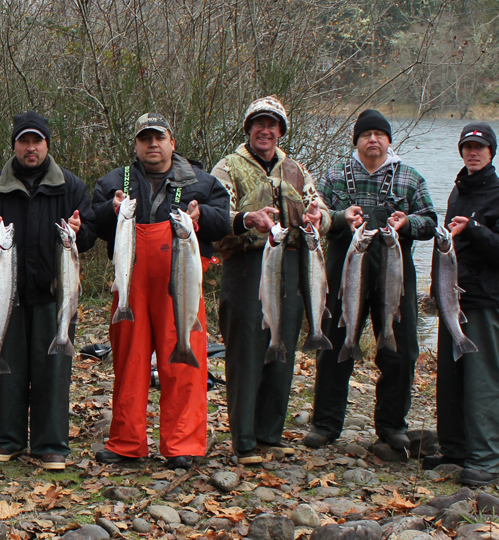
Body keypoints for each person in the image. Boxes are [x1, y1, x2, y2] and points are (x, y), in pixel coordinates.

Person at [90, 114, 231, 469]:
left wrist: (202, 217)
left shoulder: (202, 182)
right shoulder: (115, 181)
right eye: (145, 138)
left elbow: (223, 221)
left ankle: (183, 443)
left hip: (179, 285)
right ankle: (126, 441)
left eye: (159, 137)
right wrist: (112, 208)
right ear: (136, 144)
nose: (152, 144)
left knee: (184, 363)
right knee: (129, 361)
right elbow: (93, 222)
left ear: (172, 141)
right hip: (130, 285)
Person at [0, 112, 96, 471]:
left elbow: (88, 235)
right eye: (23, 141)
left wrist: (79, 231)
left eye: (37, 141)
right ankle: (7, 439)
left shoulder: (71, 187)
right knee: (7, 372)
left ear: (47, 145)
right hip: (7, 298)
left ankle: (51, 443)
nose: (30, 148)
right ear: (14, 147)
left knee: (53, 370)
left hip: (54, 296)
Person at [304, 109, 436, 453]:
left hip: (393, 274)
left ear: (389, 140)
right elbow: (318, 220)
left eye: (379, 134)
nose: (372, 139)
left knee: (400, 350)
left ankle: (392, 426)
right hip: (344, 272)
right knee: (334, 347)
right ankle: (325, 424)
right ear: (357, 141)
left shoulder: (409, 178)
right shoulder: (335, 175)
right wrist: (338, 216)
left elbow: (431, 221)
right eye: (366, 135)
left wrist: (407, 223)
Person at [210, 96, 326, 462]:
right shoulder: (228, 167)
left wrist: (319, 216)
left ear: (281, 131)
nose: (266, 130)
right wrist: (247, 218)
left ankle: (269, 433)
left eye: (273, 124)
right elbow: (215, 217)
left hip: (289, 266)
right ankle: (244, 440)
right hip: (245, 267)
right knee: (245, 353)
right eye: (259, 123)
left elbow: (317, 205)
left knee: (282, 349)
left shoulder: (295, 169)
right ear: (248, 129)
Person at [425, 122, 499, 486]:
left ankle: (486, 459)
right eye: (467, 146)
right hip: (454, 300)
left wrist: (475, 229)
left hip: (486, 304)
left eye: (480, 147)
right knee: (451, 379)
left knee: (484, 382)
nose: (473, 152)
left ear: (491, 152)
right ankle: (454, 449)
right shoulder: (458, 191)